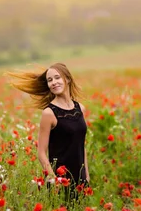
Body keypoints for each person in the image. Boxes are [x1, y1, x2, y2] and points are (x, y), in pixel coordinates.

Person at [6, 63, 90, 201]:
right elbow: (41, 153)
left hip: (80, 178)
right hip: (60, 179)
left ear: (67, 79)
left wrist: (86, 174)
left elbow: (81, 145)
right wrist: (53, 179)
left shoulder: (80, 108)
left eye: (57, 78)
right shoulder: (49, 113)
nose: (53, 82)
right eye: (50, 80)